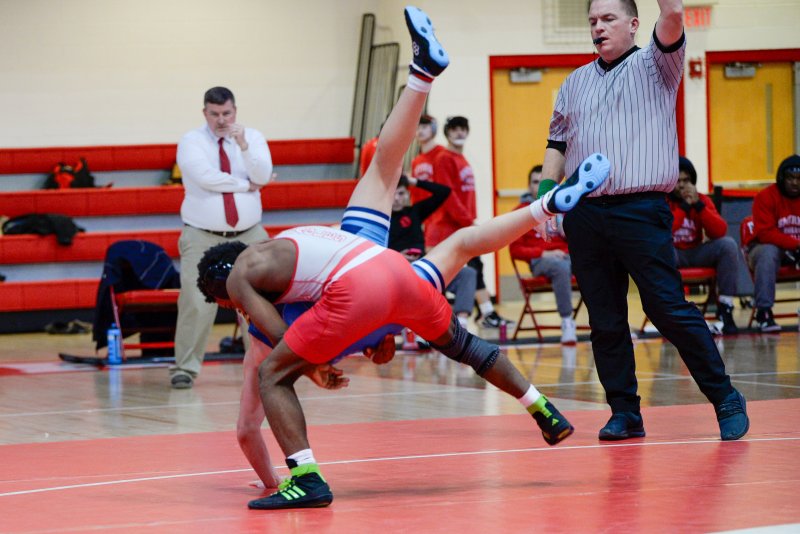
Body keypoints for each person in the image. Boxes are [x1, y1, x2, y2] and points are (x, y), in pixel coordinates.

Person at [197, 6, 610, 510]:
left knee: (271, 374)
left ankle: (304, 478)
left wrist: (316, 368)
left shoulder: (245, 285)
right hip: (384, 267)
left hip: (359, 293)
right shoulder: (288, 245)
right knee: (392, 178)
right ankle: (541, 397)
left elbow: (275, 362)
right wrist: (361, 344)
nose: (236, 309)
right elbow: (378, 339)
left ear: (223, 288)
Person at [540, 0, 748, 442]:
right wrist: (545, 198)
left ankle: (725, 397)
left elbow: (672, 16)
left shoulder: (658, 64)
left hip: (641, 208)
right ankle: (625, 412)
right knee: (605, 318)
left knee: (667, 309)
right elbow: (557, 143)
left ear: (634, 24)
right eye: (593, 21)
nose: (598, 27)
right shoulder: (574, 82)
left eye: (608, 19)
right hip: (585, 214)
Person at [171, 86, 274, 389]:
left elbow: (263, 175)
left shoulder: (252, 137)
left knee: (261, 299)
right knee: (195, 301)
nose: (221, 120)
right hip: (202, 234)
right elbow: (204, 177)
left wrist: (244, 146)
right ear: (205, 113)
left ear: (235, 111)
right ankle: (185, 368)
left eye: (226, 113)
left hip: (250, 233)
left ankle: (268, 367)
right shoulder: (191, 141)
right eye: (214, 114)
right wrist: (246, 186)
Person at [425, 114, 514, 328]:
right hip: (446, 227)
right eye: (454, 129)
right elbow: (448, 195)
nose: (459, 133)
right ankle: (454, 319)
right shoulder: (444, 158)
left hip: (461, 224)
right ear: (447, 133)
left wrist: (469, 219)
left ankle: (485, 313)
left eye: (463, 129)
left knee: (475, 265)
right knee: (445, 275)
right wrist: (467, 221)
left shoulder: (461, 159)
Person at [389, 174, 478, 330]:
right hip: (399, 270)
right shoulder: (382, 220)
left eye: (401, 193)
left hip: (424, 266)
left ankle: (461, 325)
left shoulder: (414, 212)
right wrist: (397, 256)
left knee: (467, 273)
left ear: (407, 194)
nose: (396, 199)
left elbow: (444, 192)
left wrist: (415, 182)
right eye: (393, 194)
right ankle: (422, 328)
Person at [668, 156, 741, 335]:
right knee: (663, 250)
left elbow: (719, 231)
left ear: (692, 181)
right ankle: (671, 309)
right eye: (677, 181)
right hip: (674, 253)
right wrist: (684, 207)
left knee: (728, 245)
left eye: (686, 180)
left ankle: (725, 308)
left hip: (696, 251)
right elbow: (666, 231)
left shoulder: (701, 200)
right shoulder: (663, 201)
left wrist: (699, 206)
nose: (682, 185)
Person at [510, 164, 577, 344]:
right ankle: (567, 322)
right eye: (535, 182)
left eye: (543, 182)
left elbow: (579, 242)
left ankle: (609, 322)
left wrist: (568, 232)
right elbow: (515, 250)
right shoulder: (520, 211)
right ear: (528, 186)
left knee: (594, 262)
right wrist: (543, 253)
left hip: (567, 256)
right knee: (560, 266)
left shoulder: (562, 207)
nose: (539, 187)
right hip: (541, 261)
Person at [747, 154, 800, 332]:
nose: (795, 183)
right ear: (781, 178)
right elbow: (765, 234)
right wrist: (795, 245)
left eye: (799, 178)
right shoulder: (765, 196)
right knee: (768, 252)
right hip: (764, 248)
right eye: (790, 178)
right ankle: (764, 312)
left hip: (795, 248)